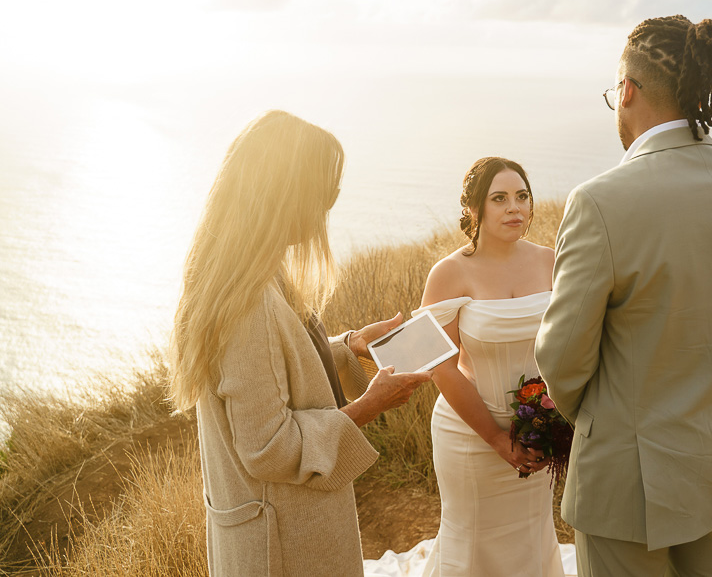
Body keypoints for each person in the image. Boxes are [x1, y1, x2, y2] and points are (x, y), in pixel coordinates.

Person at [534, 14, 712, 577]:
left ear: (626, 90)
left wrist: (604, 419)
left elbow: (561, 357)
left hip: (627, 475)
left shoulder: (600, 202)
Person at [168, 110, 431, 577]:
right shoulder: (248, 303)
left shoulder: (249, 276)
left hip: (280, 534)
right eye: (319, 192)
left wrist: (348, 347)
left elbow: (266, 370)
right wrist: (368, 406)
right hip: (282, 550)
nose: (327, 205)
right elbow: (267, 446)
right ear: (282, 194)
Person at [375, 157, 569, 576]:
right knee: (474, 540)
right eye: (499, 198)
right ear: (474, 209)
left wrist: (552, 419)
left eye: (522, 196)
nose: (514, 208)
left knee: (531, 534)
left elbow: (568, 345)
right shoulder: (449, 272)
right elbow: (441, 368)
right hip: (469, 434)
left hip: (536, 429)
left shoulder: (550, 262)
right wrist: (498, 439)